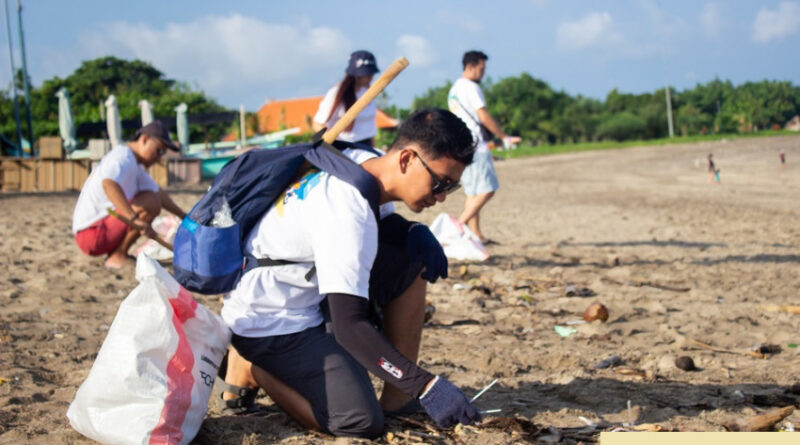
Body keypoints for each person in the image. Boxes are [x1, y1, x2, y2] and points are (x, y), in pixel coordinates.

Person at [218, 109, 481, 438]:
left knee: (414, 257)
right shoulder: (346, 210)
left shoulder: (362, 158)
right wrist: (426, 386)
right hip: (272, 317)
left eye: (451, 188)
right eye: (440, 183)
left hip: (306, 287)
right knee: (357, 421)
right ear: (407, 159)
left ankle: (397, 399)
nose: (441, 197)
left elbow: (381, 221)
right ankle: (252, 368)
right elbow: (349, 328)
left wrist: (411, 231)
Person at [72, 121, 186, 268]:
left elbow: (160, 194)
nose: (159, 158)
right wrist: (133, 218)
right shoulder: (123, 157)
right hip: (91, 234)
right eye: (159, 151)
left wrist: (185, 217)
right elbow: (109, 184)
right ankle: (118, 255)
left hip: (99, 230)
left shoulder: (134, 163)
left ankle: (117, 253)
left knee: (153, 198)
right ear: (144, 139)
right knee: (151, 203)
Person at [448, 50, 520, 244]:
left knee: (472, 193)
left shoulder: (454, 89)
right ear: (470, 66)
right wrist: (504, 137)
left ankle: (476, 234)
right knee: (487, 190)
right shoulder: (471, 87)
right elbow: (484, 116)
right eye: (481, 68)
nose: (483, 73)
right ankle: (459, 226)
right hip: (476, 146)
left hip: (462, 147)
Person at [312, 50, 380, 145]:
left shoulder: (368, 92)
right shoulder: (336, 93)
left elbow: (370, 128)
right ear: (357, 76)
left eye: (371, 74)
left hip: (366, 145)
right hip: (343, 145)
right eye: (367, 74)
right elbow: (317, 124)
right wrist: (333, 142)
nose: (370, 77)